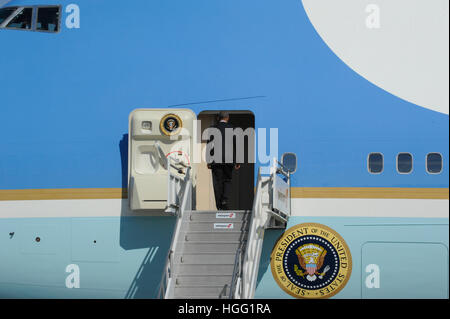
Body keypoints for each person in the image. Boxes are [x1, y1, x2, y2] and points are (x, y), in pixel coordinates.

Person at [206, 111, 240, 210]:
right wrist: (238, 161)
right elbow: (236, 146)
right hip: (229, 160)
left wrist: (208, 160)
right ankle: (224, 200)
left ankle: (219, 205)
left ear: (218, 118)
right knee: (227, 180)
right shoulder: (232, 129)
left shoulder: (212, 129)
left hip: (216, 160)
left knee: (217, 182)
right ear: (227, 118)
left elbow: (209, 146)